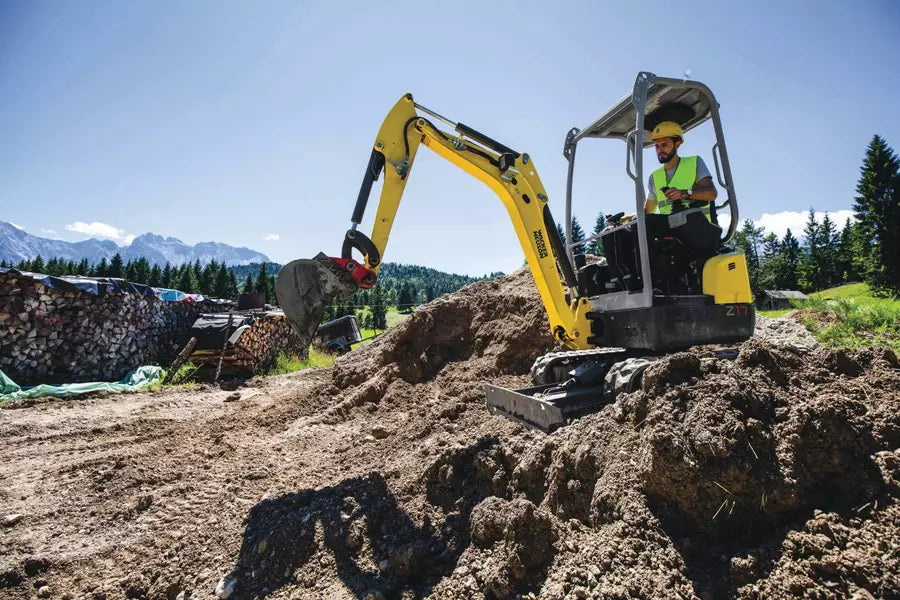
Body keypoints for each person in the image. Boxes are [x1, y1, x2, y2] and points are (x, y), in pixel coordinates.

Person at [644, 121, 717, 220]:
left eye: (664, 145)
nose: (659, 150)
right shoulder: (654, 177)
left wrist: (684, 193)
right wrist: (627, 219)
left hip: (700, 230)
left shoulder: (694, 163)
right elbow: (648, 211)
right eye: (657, 146)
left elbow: (711, 193)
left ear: (677, 144)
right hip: (669, 232)